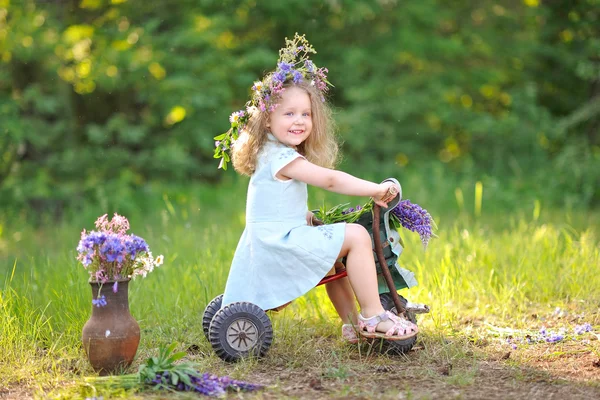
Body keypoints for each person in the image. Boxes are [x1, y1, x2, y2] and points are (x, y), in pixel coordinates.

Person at [215, 34, 418, 342]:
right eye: (289, 114)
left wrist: (305, 216)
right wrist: (375, 189)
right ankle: (373, 314)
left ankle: (353, 323)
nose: (299, 121)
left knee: (334, 257)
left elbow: (274, 205)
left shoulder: (271, 152)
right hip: (279, 245)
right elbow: (331, 180)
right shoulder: (282, 157)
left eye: (306, 114)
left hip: (272, 239)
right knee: (357, 236)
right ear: (267, 120)